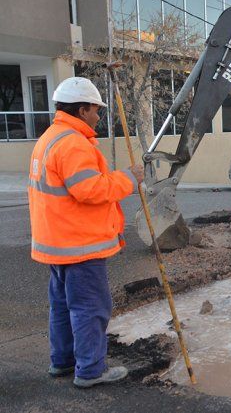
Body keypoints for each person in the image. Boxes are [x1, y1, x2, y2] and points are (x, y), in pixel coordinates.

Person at [28, 77, 144, 388]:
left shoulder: (50, 138)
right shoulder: (73, 144)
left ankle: (63, 362)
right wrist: (129, 180)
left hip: (58, 243)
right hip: (79, 244)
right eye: (95, 110)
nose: (98, 116)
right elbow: (89, 189)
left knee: (64, 306)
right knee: (90, 308)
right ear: (82, 109)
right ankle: (90, 371)